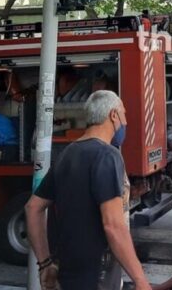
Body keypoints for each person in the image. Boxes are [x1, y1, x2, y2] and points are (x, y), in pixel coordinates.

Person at [25, 90, 150, 290]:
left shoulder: (68, 153)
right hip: (97, 274)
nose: (125, 122)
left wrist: (45, 264)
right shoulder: (107, 155)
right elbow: (113, 225)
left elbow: (33, 207)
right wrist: (140, 279)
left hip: (68, 272)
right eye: (124, 115)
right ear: (113, 115)